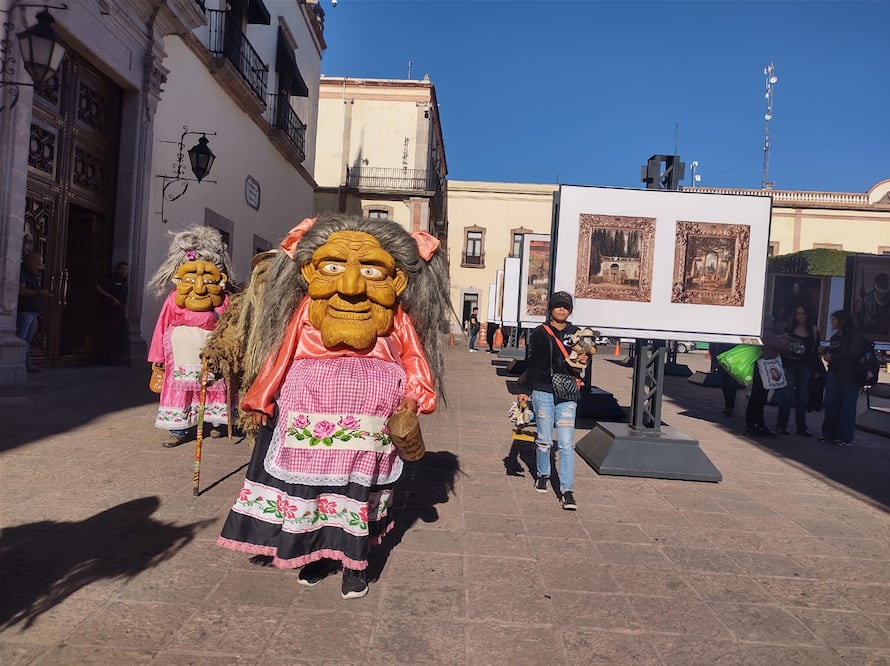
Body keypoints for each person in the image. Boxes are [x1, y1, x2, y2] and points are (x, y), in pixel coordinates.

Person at [216, 215, 450, 600]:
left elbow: (413, 357)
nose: (352, 286)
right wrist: (261, 396)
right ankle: (316, 554)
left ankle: (355, 565)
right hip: (310, 416)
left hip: (369, 426)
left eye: (371, 269)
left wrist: (414, 396)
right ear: (310, 271)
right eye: (334, 267)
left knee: (358, 491)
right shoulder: (308, 309)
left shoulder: (395, 317)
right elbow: (283, 353)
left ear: (397, 281)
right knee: (313, 489)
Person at [147, 227, 234, 448]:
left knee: (215, 385)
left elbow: (231, 325)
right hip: (179, 354)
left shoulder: (224, 298)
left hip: (211, 349)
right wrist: (158, 357)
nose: (199, 283)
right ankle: (180, 428)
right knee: (180, 389)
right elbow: (163, 324)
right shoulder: (175, 297)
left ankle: (216, 423)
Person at [517, 291, 587, 510]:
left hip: (567, 392)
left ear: (570, 310)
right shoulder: (539, 333)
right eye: (558, 306)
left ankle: (567, 490)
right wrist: (525, 390)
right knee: (544, 438)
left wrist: (585, 360)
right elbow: (533, 361)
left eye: (565, 307)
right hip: (543, 391)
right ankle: (542, 474)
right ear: (551, 309)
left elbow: (584, 361)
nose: (562, 310)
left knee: (566, 443)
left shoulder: (577, 333)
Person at [819, 310, 866, 447]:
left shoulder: (854, 335)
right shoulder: (835, 337)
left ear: (842, 320)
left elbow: (853, 354)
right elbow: (836, 352)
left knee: (847, 407)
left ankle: (845, 437)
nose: (831, 322)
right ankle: (828, 434)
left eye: (834, 319)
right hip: (834, 374)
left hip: (850, 376)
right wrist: (825, 352)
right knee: (831, 404)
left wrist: (833, 357)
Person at [745, 312, 793, 438]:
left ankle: (755, 423)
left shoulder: (760, 333)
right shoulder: (766, 334)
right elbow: (781, 345)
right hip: (764, 368)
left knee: (757, 396)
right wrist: (786, 339)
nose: (773, 324)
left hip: (759, 368)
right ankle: (755, 424)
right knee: (759, 397)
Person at [775, 305, 819, 436]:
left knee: (801, 398)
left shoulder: (814, 331)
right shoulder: (789, 329)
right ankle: (781, 425)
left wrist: (817, 369)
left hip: (805, 367)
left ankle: (801, 427)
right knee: (786, 396)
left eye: (803, 313)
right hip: (789, 365)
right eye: (798, 314)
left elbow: (815, 352)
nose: (800, 316)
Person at [17, 253, 51, 372]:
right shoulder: (22, 273)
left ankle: (26, 364)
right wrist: (38, 293)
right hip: (24, 312)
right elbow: (21, 290)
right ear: (29, 261)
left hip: (32, 312)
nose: (39, 266)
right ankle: (18, 364)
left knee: (27, 340)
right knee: (20, 339)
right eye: (38, 263)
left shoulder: (32, 274)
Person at [95, 261, 129, 365]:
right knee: (109, 334)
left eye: (126, 269)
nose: (124, 271)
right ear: (118, 269)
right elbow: (98, 287)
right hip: (110, 311)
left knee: (119, 335)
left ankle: (116, 359)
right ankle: (106, 359)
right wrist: (111, 298)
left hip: (119, 312)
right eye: (122, 269)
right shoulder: (111, 279)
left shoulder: (125, 282)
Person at [709, 342, 739, 416]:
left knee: (730, 384)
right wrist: (714, 361)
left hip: (732, 361)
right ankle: (728, 406)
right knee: (725, 384)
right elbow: (713, 346)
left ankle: (729, 407)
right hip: (721, 360)